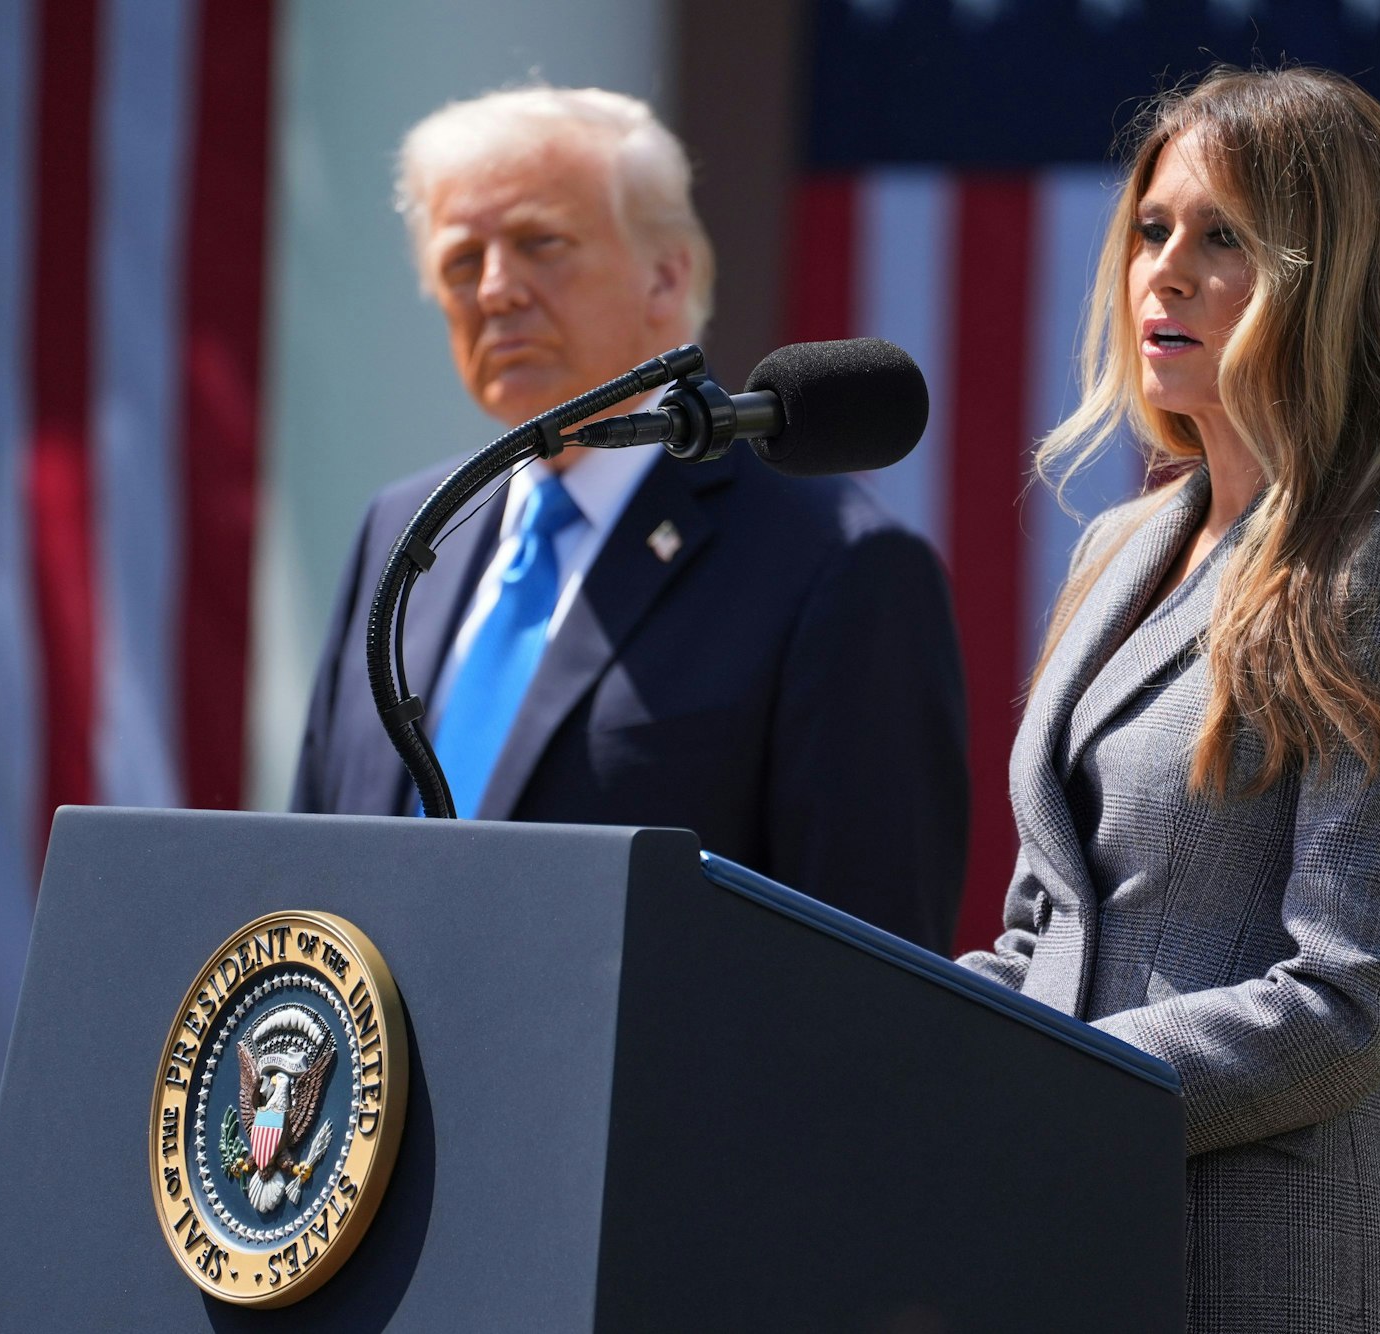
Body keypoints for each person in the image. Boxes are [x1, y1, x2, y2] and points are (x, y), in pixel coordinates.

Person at [958, 67, 1380, 1331]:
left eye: (1222, 235)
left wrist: (1051, 1077)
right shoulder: (1118, 547)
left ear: (1328, 273)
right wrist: (896, 1031)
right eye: (1151, 228)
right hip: (1060, 1238)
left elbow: (1343, 999)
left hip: (1262, 1267)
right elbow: (1040, 930)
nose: (1162, 269)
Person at [292, 86, 969, 954]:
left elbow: (870, 976)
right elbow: (304, 872)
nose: (496, 290)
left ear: (666, 275)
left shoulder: (837, 563)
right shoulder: (405, 535)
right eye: (462, 262)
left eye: (542, 243)